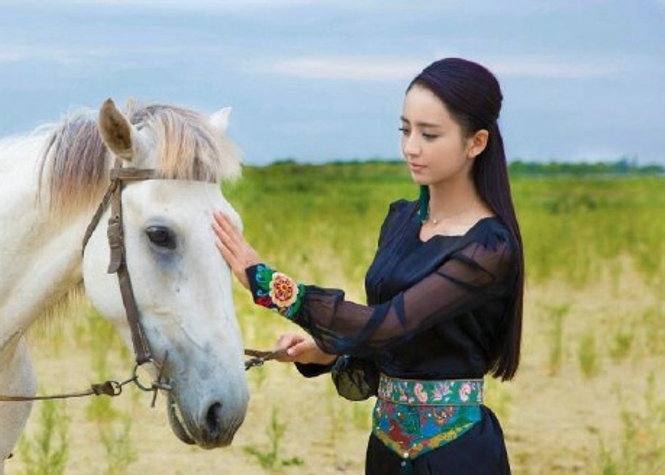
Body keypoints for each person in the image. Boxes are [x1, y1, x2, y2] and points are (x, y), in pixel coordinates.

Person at [213, 57, 524, 475]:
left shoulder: (489, 248)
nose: (411, 147)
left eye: (429, 134)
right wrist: (328, 353)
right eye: (405, 129)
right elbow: (388, 345)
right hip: (384, 448)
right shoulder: (400, 221)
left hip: (458, 455)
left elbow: (389, 324)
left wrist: (264, 281)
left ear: (476, 142)